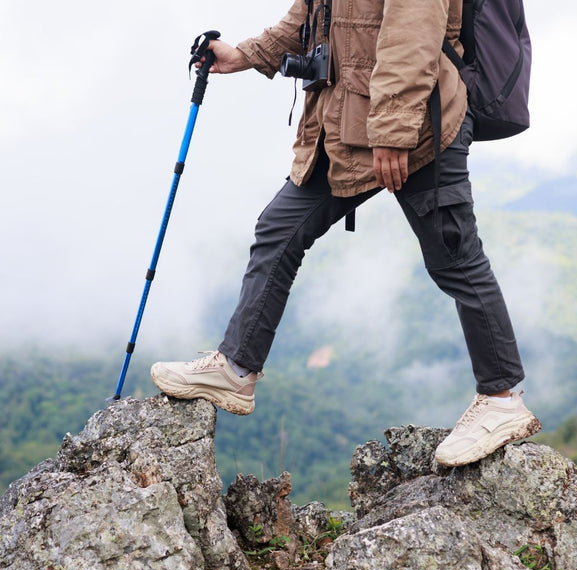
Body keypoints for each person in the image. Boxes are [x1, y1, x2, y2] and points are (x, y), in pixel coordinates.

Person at [151, 0, 541, 467]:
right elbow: (310, 17)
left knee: (455, 257)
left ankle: (501, 400)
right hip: (342, 125)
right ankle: (236, 368)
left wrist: (394, 131)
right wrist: (246, 54)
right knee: (279, 231)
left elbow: (413, 29)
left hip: (418, 128)